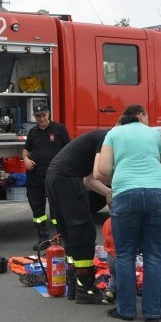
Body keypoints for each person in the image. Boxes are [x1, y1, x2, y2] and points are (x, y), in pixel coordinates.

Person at [96, 104, 161, 322]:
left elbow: (102, 170)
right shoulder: (153, 133)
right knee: (154, 255)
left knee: (125, 255)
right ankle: (152, 312)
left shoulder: (113, 133)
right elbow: (158, 162)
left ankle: (126, 310)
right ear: (140, 118)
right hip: (159, 193)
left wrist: (120, 178)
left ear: (122, 120)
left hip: (126, 194)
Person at [45, 129, 112, 304]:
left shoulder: (96, 138)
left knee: (70, 233)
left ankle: (74, 284)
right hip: (67, 178)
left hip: (55, 177)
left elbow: (90, 180)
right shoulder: (109, 137)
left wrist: (109, 193)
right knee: (82, 232)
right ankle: (86, 288)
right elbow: (100, 173)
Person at [22, 102, 70, 250]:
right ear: (34, 117)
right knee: (37, 210)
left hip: (55, 176)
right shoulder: (32, 132)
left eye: (43, 115)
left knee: (57, 210)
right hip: (35, 177)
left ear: (48, 114)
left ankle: (61, 238)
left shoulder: (59, 129)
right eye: (38, 116)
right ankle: (43, 238)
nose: (41, 118)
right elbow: (26, 150)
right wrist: (26, 159)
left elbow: (69, 149)